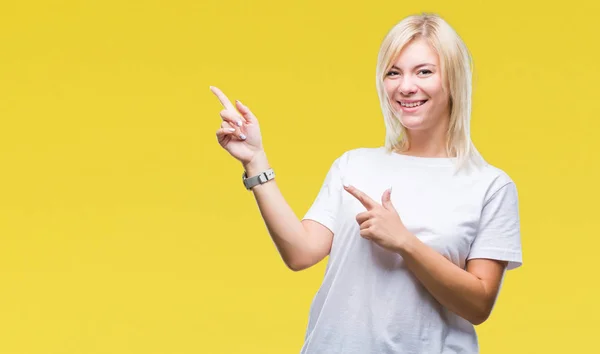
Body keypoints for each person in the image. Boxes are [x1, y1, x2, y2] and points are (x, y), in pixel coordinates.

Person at [211, 12, 522, 354]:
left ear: (453, 79)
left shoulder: (490, 186)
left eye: (424, 71)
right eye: (393, 72)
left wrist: (405, 242)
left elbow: (478, 306)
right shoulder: (354, 165)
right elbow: (300, 252)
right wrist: (256, 160)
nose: (405, 86)